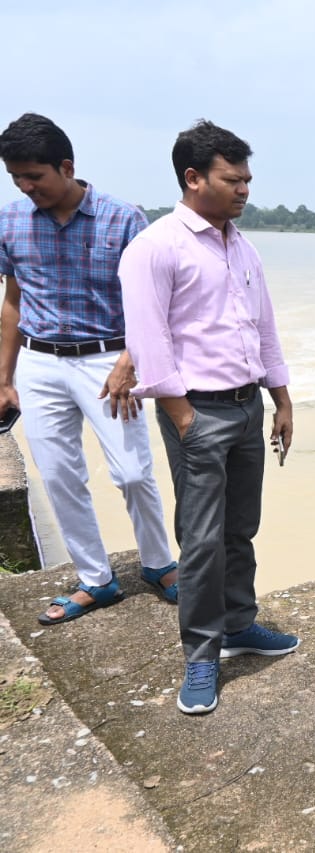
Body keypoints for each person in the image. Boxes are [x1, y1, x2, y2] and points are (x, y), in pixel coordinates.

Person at [120, 120, 299, 715]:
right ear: (193, 178)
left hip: (248, 407)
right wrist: (181, 414)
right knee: (200, 540)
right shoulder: (157, 246)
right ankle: (201, 656)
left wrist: (281, 398)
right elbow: (148, 337)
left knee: (240, 528)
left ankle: (241, 626)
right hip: (198, 411)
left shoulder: (241, 246)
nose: (245, 189)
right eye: (233, 179)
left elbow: (263, 326)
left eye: (247, 179)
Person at [0, 112, 176, 625]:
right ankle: (96, 579)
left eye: (36, 176)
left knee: (134, 473)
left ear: (67, 166)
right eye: (17, 178)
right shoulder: (10, 221)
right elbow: (12, 301)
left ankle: (159, 563)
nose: (27, 187)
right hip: (39, 361)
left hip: (108, 360)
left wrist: (129, 361)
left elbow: (152, 303)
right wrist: (5, 378)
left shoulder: (124, 219)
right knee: (59, 476)